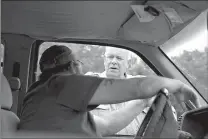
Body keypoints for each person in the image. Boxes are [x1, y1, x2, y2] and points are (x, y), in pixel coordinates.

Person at [19, 45, 198, 138]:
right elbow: (140, 87)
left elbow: (107, 126)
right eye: (77, 63)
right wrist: (178, 85)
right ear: (73, 66)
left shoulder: (43, 94)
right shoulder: (61, 83)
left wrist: (142, 102)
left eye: (118, 58)